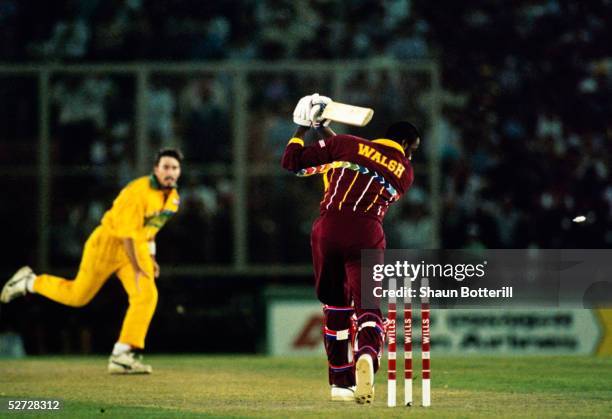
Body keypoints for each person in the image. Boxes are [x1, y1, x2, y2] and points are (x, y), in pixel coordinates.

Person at [281, 94, 420, 404]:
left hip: (327, 230)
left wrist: (304, 128)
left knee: (336, 308)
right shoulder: (405, 172)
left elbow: (293, 163)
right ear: (409, 148)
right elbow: (362, 158)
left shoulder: (345, 145)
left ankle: (340, 383)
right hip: (366, 232)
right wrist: (324, 129)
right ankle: (368, 354)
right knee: (369, 307)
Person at [0, 148, 183, 374]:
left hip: (135, 248)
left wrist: (151, 258)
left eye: (174, 168)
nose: (170, 172)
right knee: (78, 296)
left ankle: (121, 354)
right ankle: (30, 282)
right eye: (166, 167)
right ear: (155, 169)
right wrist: (137, 267)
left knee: (147, 295)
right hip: (107, 244)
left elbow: (151, 229)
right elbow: (126, 235)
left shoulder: (173, 198)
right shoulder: (138, 192)